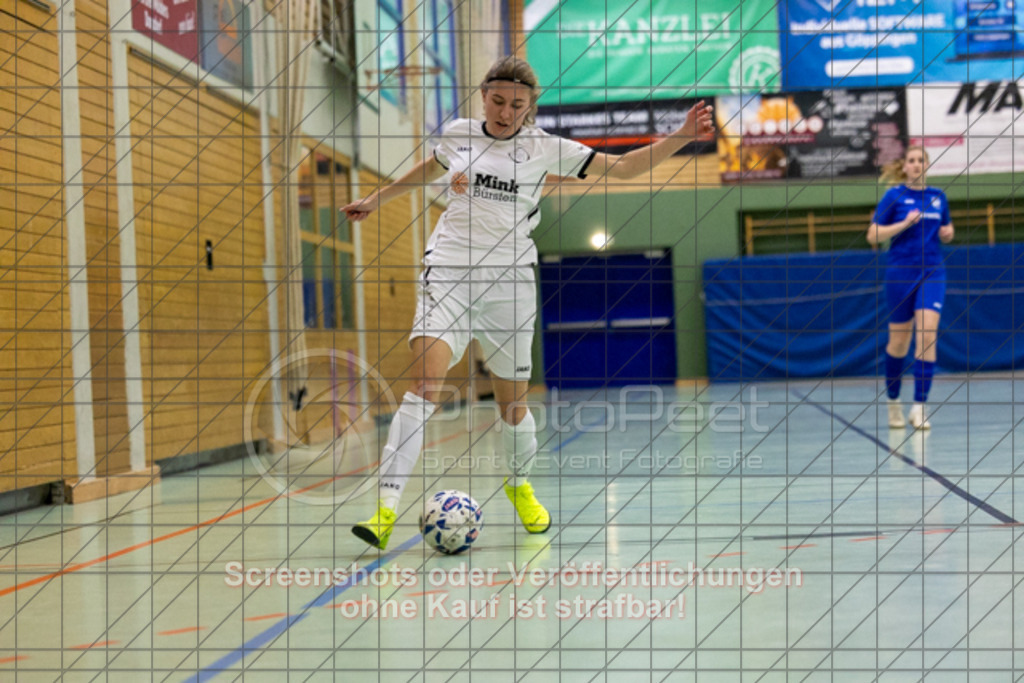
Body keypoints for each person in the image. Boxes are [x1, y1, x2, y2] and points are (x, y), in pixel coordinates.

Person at [341, 55, 714, 550]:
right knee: (425, 384)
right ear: (483, 96)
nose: (505, 111)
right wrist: (377, 198)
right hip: (448, 270)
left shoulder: (545, 148)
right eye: (497, 101)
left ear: (530, 106)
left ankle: (518, 485)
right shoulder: (459, 134)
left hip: (509, 284)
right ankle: (385, 510)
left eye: (516, 104)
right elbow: (427, 170)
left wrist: (681, 136)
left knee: (512, 406)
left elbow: (622, 169)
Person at [867, 146, 954, 430]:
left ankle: (919, 407)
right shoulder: (894, 196)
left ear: (927, 165)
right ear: (905, 166)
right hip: (901, 272)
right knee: (899, 343)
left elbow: (946, 230)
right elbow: (873, 234)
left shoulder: (938, 197)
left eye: (921, 160)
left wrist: (948, 233)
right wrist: (904, 223)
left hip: (932, 272)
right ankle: (893, 401)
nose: (916, 165)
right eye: (912, 161)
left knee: (927, 335)